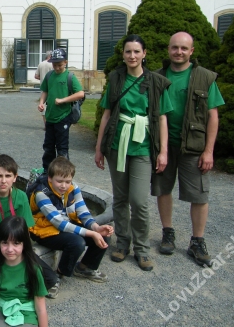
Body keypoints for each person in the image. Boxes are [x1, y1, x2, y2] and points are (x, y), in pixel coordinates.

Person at [95, 34, 173, 272]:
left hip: (142, 147)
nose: (132, 56)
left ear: (144, 54)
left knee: (139, 201)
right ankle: (123, 242)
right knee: (120, 198)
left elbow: (162, 118)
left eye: (136, 52)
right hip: (118, 145)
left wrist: (163, 152)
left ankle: (142, 248)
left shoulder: (156, 82)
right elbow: (107, 115)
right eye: (128, 52)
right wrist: (99, 148)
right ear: (123, 55)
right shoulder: (116, 79)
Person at [151, 32, 225, 267]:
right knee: (163, 189)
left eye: (184, 48)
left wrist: (209, 151)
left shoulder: (204, 78)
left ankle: (197, 240)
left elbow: (213, 116)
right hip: (164, 145)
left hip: (194, 146)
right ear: (168, 49)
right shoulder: (157, 77)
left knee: (199, 195)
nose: (179, 52)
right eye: (175, 48)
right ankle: (168, 232)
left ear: (191, 51)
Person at [0, 154, 60, 298]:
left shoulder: (22, 197)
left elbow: (26, 233)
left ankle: (19, 290)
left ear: (15, 177)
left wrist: (17, 252)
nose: (3, 181)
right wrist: (1, 257)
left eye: (8, 175)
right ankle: (3, 291)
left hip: (18, 243)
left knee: (50, 279)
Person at [29, 157, 114, 282]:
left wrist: (96, 228)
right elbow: (59, 223)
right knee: (77, 243)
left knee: (103, 235)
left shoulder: (73, 188)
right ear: (50, 179)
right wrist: (91, 233)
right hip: (43, 231)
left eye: (67, 181)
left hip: (65, 224)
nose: (64, 185)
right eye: (59, 181)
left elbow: (83, 212)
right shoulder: (41, 194)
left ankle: (84, 268)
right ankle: (58, 274)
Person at [0, 216, 49, 327]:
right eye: (5, 242)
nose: (10, 249)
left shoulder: (33, 269)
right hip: (0, 311)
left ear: (24, 244)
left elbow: (40, 307)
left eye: (16, 243)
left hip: (26, 315)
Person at [38, 48, 85, 172]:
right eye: (54, 65)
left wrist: (63, 100)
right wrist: (42, 103)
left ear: (65, 62)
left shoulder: (70, 76)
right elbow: (45, 91)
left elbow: (80, 93)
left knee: (62, 148)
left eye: (59, 65)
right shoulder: (49, 76)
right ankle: (47, 172)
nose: (57, 67)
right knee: (48, 147)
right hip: (50, 117)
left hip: (63, 117)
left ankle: (63, 173)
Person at [34, 51, 54, 130]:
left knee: (43, 106)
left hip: (43, 87)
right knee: (52, 105)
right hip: (52, 86)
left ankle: (46, 124)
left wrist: (42, 78)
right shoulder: (52, 64)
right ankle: (52, 124)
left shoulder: (41, 64)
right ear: (50, 56)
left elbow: (36, 76)